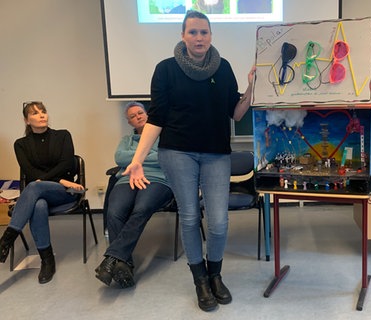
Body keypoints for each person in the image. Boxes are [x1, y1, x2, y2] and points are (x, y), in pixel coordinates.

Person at [122, 10, 255, 312]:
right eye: (193, 32)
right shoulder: (166, 69)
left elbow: (235, 112)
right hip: (177, 152)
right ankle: (200, 280)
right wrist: (138, 159)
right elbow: (155, 120)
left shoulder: (223, 69)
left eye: (204, 32)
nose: (199, 38)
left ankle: (215, 274)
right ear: (182, 36)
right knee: (191, 217)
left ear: (211, 36)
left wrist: (250, 87)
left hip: (216, 153)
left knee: (219, 221)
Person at [0, 101, 83, 284]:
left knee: (35, 186)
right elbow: (29, 172)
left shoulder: (62, 135)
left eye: (43, 111)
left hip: (64, 191)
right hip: (39, 194)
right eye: (35, 113)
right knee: (38, 205)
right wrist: (57, 178)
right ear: (26, 120)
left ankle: (5, 241)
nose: (41, 115)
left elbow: (67, 163)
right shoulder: (20, 144)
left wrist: (57, 181)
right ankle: (47, 261)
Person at [95, 101, 173, 288]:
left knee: (142, 208)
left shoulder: (164, 135)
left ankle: (112, 259)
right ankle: (123, 264)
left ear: (147, 114)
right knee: (114, 212)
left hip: (156, 179)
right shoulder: (126, 140)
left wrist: (137, 156)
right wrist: (146, 154)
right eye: (132, 116)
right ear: (129, 123)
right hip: (127, 178)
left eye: (140, 113)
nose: (138, 117)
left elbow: (165, 157)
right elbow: (119, 158)